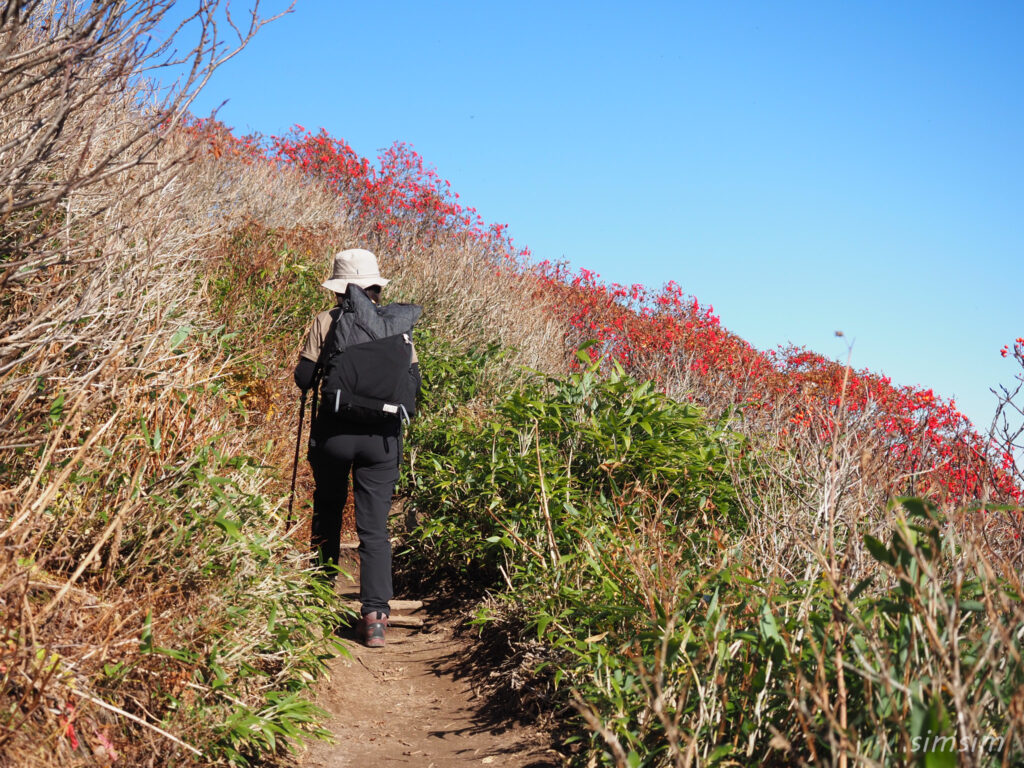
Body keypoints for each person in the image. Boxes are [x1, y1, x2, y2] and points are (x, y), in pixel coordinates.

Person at [293, 248, 421, 648]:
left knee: (328, 510)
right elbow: (412, 382)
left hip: (334, 435)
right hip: (382, 439)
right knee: (374, 527)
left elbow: (302, 379)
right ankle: (375, 616)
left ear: (339, 288)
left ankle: (316, 600)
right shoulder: (396, 326)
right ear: (376, 287)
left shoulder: (326, 321)